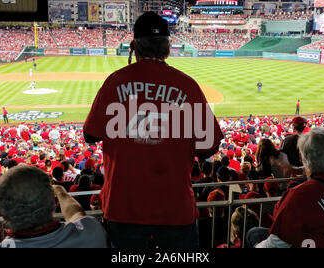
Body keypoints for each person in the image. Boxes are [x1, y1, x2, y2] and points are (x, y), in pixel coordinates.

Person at [82, 11, 223, 248]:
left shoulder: (115, 81)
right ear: (167, 47)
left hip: (123, 207)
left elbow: (90, 135)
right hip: (174, 208)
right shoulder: (187, 86)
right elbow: (208, 148)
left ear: (133, 46)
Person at [246, 128, 324, 248]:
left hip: (314, 241)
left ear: (301, 156)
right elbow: (321, 166)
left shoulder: (299, 196)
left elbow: (276, 244)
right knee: (255, 232)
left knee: (253, 235)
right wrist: (297, 170)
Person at [0, 164, 109, 248]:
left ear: (3, 214)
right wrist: (60, 192)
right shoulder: (92, 233)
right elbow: (76, 214)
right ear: (53, 204)